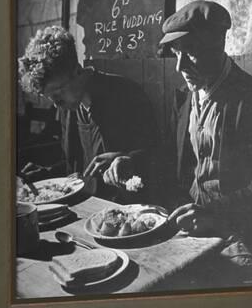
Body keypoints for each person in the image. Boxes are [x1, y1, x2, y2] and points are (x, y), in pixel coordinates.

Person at [160, 0, 252, 276]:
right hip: (190, 226)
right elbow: (171, 165)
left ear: (218, 44)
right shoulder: (184, 100)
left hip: (239, 233)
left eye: (190, 52)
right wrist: (129, 162)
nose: (179, 67)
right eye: (175, 53)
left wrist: (213, 213)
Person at [18, 25, 157, 201]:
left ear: (77, 71)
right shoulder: (68, 109)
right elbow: (76, 170)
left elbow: (157, 158)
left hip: (123, 209)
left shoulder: (126, 94)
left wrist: (128, 159)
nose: (57, 105)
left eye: (58, 94)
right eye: (50, 98)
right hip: (85, 206)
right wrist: (47, 174)